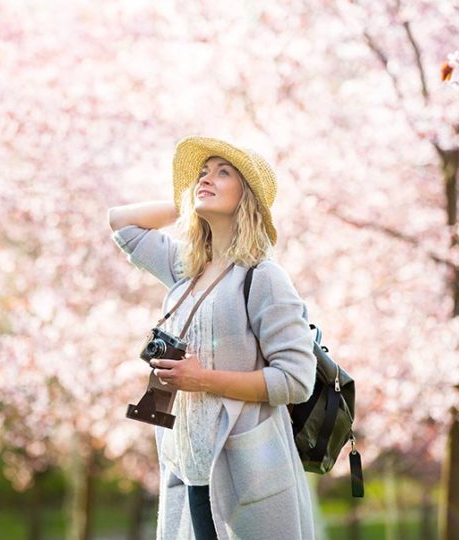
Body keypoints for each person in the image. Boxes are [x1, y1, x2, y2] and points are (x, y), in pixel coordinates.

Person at [108, 136, 317, 539]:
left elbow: (296, 380)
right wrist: (188, 201)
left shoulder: (262, 277)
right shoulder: (186, 267)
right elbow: (120, 222)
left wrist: (203, 379)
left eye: (224, 173)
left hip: (246, 470)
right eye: (203, 173)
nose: (207, 178)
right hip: (189, 467)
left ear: (247, 197)